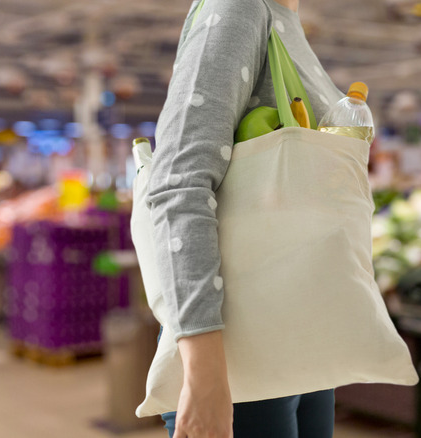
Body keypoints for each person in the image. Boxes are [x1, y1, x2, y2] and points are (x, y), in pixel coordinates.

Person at [148, 0, 345, 437]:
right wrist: (205, 378)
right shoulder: (239, 7)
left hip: (300, 334)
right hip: (241, 354)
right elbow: (180, 183)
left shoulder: (282, 17)